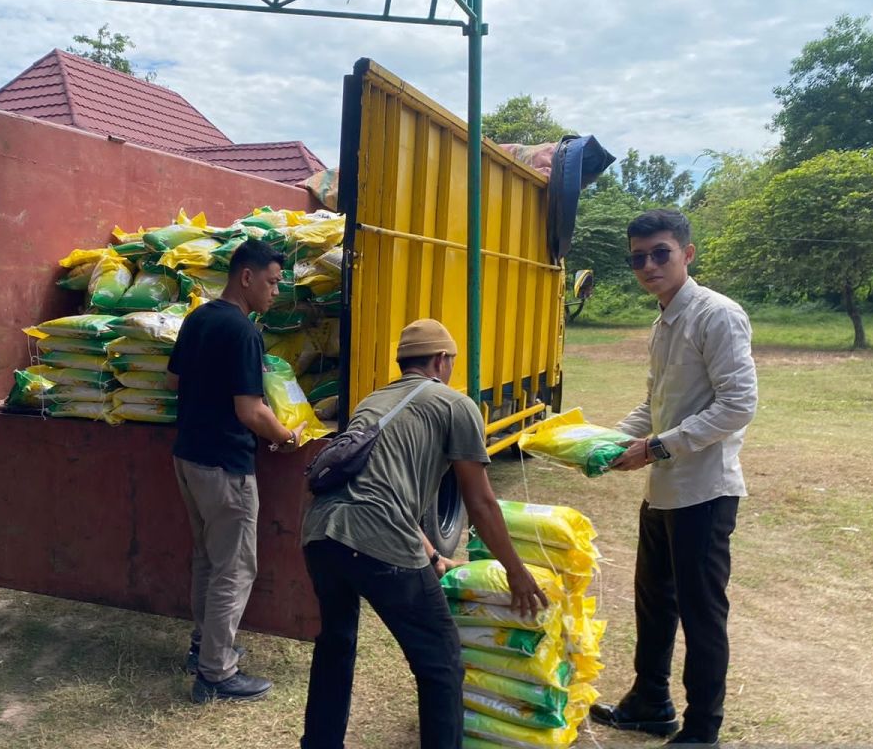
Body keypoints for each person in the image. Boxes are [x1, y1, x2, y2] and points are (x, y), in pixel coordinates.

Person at [299, 318, 549, 749]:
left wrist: (433, 557)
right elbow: (481, 503)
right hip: (376, 540)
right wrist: (516, 570)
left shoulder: (372, 401)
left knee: (336, 646)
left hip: (321, 533)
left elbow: (385, 487)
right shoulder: (455, 405)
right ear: (441, 360)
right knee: (442, 664)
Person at [590, 209, 758, 746]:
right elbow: (654, 404)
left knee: (701, 614)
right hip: (663, 490)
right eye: (637, 257)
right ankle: (650, 702)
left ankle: (703, 728)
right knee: (653, 601)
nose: (648, 265)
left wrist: (657, 447)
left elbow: (738, 405)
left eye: (660, 253)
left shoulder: (717, 315)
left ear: (687, 254)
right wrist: (609, 443)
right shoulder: (664, 321)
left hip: (704, 493)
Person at [166, 239, 305, 704]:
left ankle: (202, 648)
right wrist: (285, 435)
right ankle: (216, 673)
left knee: (208, 559)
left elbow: (174, 379)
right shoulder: (244, 331)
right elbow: (249, 409)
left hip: (188, 457)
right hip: (226, 465)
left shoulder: (199, 318)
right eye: (270, 282)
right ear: (246, 277)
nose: (274, 293)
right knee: (235, 568)